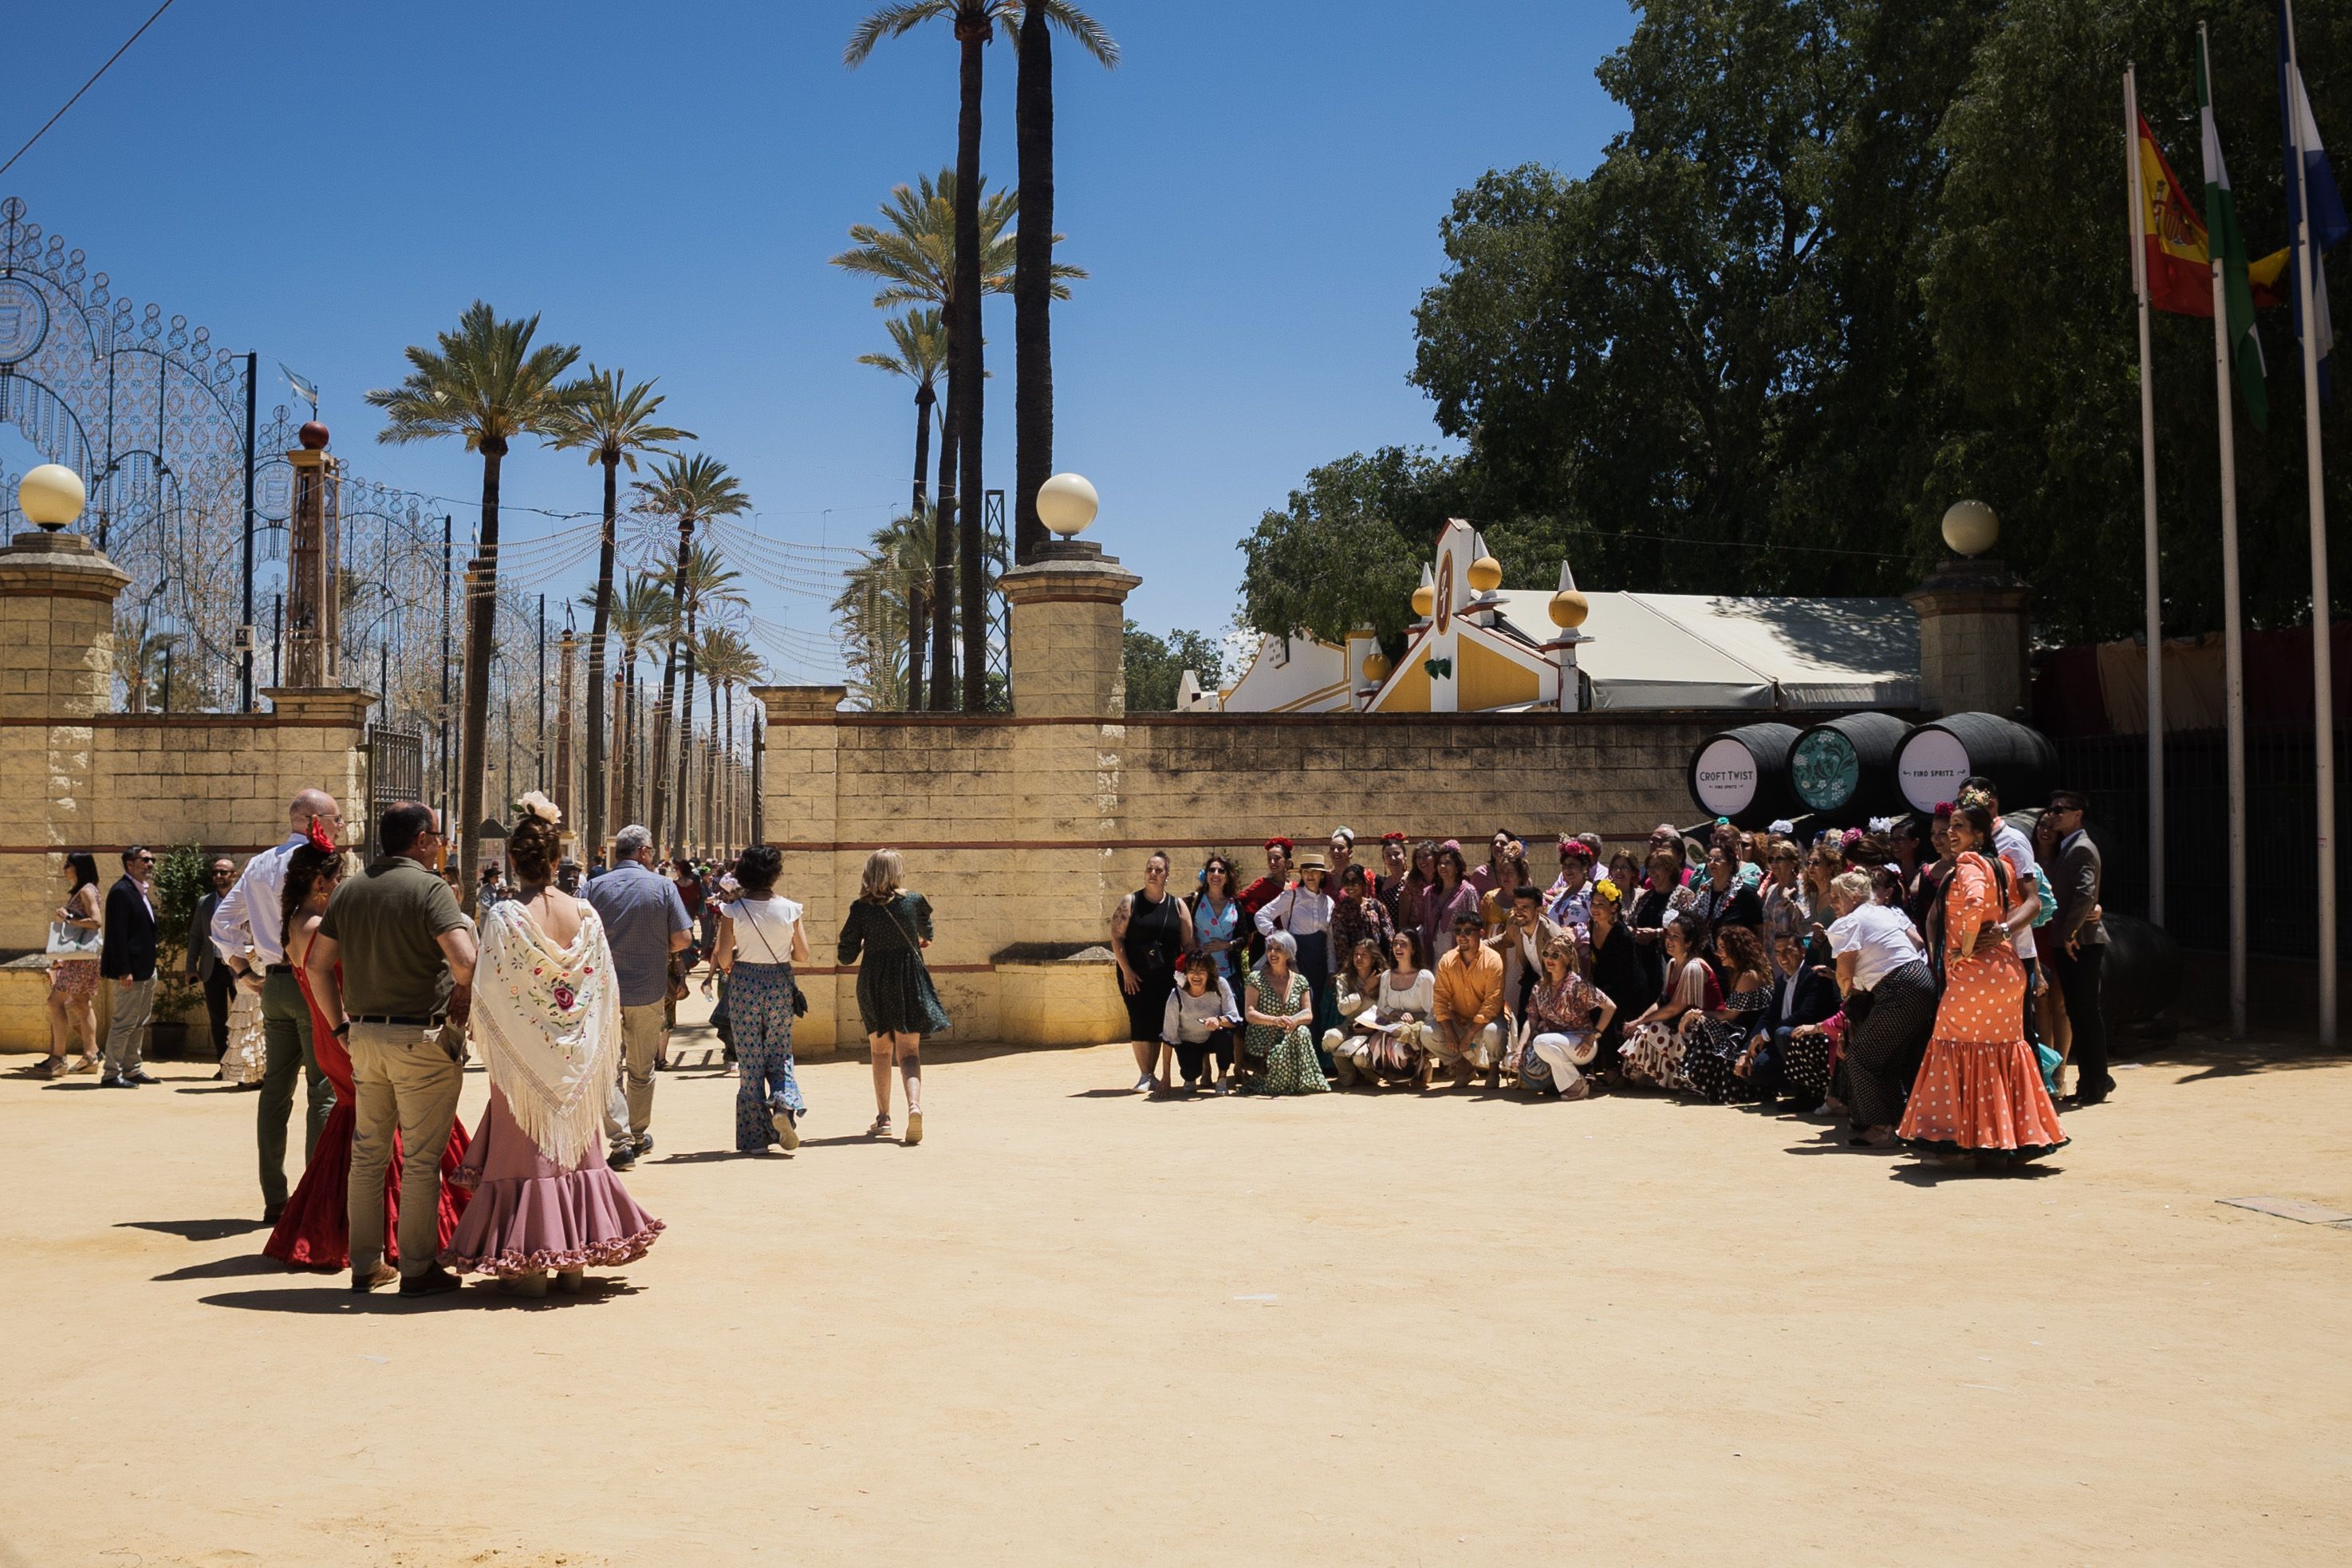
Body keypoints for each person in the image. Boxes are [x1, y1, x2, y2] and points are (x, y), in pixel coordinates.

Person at [439, 794, 664, 1295]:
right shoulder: (585, 914)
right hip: (576, 1059)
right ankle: (573, 1265)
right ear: (557, 860)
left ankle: (531, 1268)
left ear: (513, 861)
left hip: (523, 1058)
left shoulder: (504, 916)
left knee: (525, 1155)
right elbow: (602, 986)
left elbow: (491, 988)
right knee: (578, 1153)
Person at [266, 825, 471, 1270]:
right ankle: (409, 1253)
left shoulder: (303, 919)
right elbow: (462, 960)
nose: (340, 883)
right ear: (319, 883)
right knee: (405, 1144)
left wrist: (340, 1028)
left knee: (362, 1145)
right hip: (360, 1032)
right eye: (334, 877)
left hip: (342, 1034)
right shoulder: (318, 922)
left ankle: (362, 1255)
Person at [1898, 802, 2069, 1166]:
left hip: (1973, 975)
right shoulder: (2004, 866)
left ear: (1979, 834)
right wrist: (2004, 930)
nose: (1950, 833)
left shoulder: (1969, 864)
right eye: (1950, 826)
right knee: (2004, 1052)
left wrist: (1965, 948)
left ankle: (1958, 1142)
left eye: (1958, 827)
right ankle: (2009, 1138)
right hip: (2006, 972)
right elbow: (2034, 904)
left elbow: (1975, 903)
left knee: (1953, 1047)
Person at [214, 788, 343, 1223]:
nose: (341, 826)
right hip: (312, 980)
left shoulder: (260, 863)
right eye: (336, 819)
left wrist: (241, 971)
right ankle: (315, 1198)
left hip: (275, 983)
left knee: (275, 1090)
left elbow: (222, 921)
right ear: (315, 822)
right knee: (322, 1089)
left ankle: (275, 1197)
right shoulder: (317, 863)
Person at [581, 824, 694, 1170]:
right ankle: (639, 1133)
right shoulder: (662, 886)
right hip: (647, 990)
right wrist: (657, 949)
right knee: (641, 1069)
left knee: (607, 1068)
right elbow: (683, 938)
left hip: (604, 994)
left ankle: (620, 1141)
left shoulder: (593, 887)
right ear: (644, 852)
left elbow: (578, 937)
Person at [838, 849, 950, 1144]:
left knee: (880, 1052)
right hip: (908, 979)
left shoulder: (860, 908)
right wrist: (921, 938)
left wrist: (866, 941)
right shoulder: (913, 901)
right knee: (909, 1052)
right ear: (897, 872)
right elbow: (927, 931)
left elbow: (846, 955)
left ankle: (884, 1118)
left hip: (874, 979)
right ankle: (914, 1106)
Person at [1824, 869, 1935, 1148]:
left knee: (1860, 1057)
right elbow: (1916, 943)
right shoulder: (1883, 912)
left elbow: (1844, 974)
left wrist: (1846, 992)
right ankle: (1897, 1125)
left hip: (1899, 988)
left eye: (1837, 897)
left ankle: (1882, 1128)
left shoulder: (1848, 922)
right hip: (1922, 980)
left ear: (1854, 896)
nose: (1832, 903)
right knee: (1888, 1059)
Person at [713, 844, 812, 1154]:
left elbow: (724, 956)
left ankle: (756, 1137)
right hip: (779, 983)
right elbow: (803, 954)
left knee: (750, 1057)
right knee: (779, 1051)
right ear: (775, 875)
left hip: (744, 984)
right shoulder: (791, 909)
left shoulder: (733, 911)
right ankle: (782, 1105)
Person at [2042, 790, 2112, 1107]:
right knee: (2078, 1012)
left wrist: (2070, 932)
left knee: (2086, 1013)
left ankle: (2096, 1081)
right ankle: (2092, 1080)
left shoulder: (2082, 847)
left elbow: (2086, 894)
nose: (2053, 815)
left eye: (2060, 810)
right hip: (2069, 940)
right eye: (2051, 809)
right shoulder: (2067, 846)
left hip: (2080, 941)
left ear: (2078, 814)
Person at [1114, 851, 1195, 1093]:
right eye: (1149, 869)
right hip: (1135, 975)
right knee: (1140, 1019)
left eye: (1158, 870)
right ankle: (1144, 1074)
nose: (1153, 873)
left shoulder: (1178, 905)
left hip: (1166, 975)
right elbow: (1117, 937)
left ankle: (1152, 1074)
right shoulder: (1130, 902)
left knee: (1160, 1022)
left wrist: (1187, 974)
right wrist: (1126, 970)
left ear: (1166, 875)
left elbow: (1188, 943)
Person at [1619, 918, 1719, 1088]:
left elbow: (1675, 1008)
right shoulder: (1672, 964)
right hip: (1680, 1022)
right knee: (1644, 1026)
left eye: (1675, 937)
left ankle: (1679, 1081)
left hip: (1702, 1028)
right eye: (1668, 935)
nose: (1669, 941)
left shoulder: (1694, 967)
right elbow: (1662, 1001)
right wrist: (1639, 1019)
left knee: (1653, 1029)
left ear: (1688, 943)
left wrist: (1641, 1022)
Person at [1678, 925, 1773, 1103]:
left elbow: (1728, 1016)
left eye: (1723, 947)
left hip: (1749, 1035)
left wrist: (1694, 1013)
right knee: (1705, 1021)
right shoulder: (1739, 973)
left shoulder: (1749, 975)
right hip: (1741, 1029)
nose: (1718, 953)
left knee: (1706, 1023)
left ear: (1736, 949)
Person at [1510, 936, 1613, 1099]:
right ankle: (1566, 1083)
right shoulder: (1539, 987)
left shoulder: (1577, 984)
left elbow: (1610, 1007)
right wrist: (1519, 1050)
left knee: (1541, 1042)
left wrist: (1595, 1035)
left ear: (1567, 958)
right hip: (1554, 1043)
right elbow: (1531, 1020)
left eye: (1555, 955)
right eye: (1546, 954)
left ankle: (1577, 1085)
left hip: (1582, 1044)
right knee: (1534, 1054)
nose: (1549, 959)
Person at [97, 845, 161, 1089]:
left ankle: (132, 1069)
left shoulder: (139, 890)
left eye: (151, 859)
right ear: (129, 864)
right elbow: (117, 935)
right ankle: (111, 1073)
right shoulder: (121, 891)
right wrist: (124, 970)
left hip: (146, 969)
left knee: (139, 1022)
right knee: (124, 1023)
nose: (150, 863)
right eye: (144, 860)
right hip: (130, 972)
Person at [1255, 852, 1335, 1038]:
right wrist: (1277, 937)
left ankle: (1316, 1051)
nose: (1309, 875)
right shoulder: (1291, 896)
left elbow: (1330, 940)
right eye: (1305, 871)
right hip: (1297, 960)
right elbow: (1261, 916)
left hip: (1320, 962)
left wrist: (1332, 969)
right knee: (1298, 1004)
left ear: (1322, 875)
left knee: (1317, 1006)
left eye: (1314, 872)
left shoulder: (1329, 902)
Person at [37, 853, 103, 1078]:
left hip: (78, 961)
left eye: (69, 865)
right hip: (84, 959)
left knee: (55, 1002)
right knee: (83, 1003)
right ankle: (90, 1057)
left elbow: (96, 921)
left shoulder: (86, 891)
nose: (65, 868)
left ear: (79, 868)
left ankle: (58, 1058)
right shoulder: (89, 889)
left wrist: (67, 918)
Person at [1239, 930, 1327, 1095]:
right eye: (1270, 949)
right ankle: (1283, 1080)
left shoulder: (1300, 981)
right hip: (1263, 1039)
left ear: (1289, 953)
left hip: (1289, 1035)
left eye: (1278, 949)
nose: (1272, 953)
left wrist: (1294, 1021)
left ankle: (1303, 1081)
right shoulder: (1256, 978)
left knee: (1302, 1031)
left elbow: (1308, 1014)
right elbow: (1250, 1014)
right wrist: (1274, 1020)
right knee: (1280, 1059)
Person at [1428, 913, 1506, 1089]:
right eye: (1458, 931)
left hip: (1487, 1021)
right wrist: (1450, 1033)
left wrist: (1470, 1034)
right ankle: (1463, 1066)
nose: (1462, 936)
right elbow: (1440, 999)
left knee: (1494, 1032)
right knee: (1428, 1033)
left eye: (1468, 931)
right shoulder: (1447, 960)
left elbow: (1492, 1004)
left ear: (1481, 933)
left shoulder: (1493, 959)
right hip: (1459, 1019)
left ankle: (1494, 1070)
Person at [1585, 881, 1646, 1078]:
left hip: (1626, 987)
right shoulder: (1591, 925)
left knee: (1604, 1012)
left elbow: (1626, 974)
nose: (1595, 909)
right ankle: (1591, 1065)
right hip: (1603, 984)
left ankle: (1612, 1069)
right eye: (1593, 904)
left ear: (1614, 908)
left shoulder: (1622, 935)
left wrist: (1600, 995)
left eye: (1601, 905)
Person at [1162, 951, 1243, 1093]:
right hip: (1189, 1040)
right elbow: (1168, 1037)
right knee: (1190, 1073)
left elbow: (1234, 1018)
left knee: (1226, 1036)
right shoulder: (1176, 996)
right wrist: (1166, 1077)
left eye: (1202, 971)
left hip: (1214, 1036)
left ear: (1209, 973)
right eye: (1192, 971)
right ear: (1185, 973)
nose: (1197, 975)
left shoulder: (1220, 984)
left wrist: (1218, 1020)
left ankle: (1222, 1077)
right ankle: (1192, 1076)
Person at [1488, 883, 1564, 1026]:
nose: (1518, 912)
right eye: (1516, 907)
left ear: (1538, 910)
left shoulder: (1551, 935)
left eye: (1524, 908)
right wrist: (1480, 946)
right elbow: (1504, 940)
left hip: (1556, 983)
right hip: (1532, 977)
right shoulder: (1514, 924)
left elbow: (1565, 971)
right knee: (1524, 1021)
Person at [1322, 936, 1390, 1087]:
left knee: (1360, 1058)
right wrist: (1365, 989)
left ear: (1373, 959)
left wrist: (1374, 1028)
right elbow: (1343, 1008)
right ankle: (1347, 1072)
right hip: (1350, 1027)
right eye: (1356, 955)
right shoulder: (1344, 979)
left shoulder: (1384, 979)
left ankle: (1370, 1074)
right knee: (1330, 1038)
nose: (1359, 958)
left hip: (1374, 1030)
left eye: (1364, 955)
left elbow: (1388, 1010)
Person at [189, 856, 237, 1065]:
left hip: (238, 967)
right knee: (217, 1018)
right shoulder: (205, 902)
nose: (218, 876)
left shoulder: (243, 899)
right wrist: (190, 966)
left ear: (233, 875)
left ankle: (242, 1065)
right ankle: (223, 1063)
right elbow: (196, 936)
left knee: (242, 1016)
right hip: (212, 967)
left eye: (223, 872)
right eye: (215, 872)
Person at [1327, 863, 1394, 996]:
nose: (1350, 886)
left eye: (1355, 881)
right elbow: (1339, 945)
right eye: (1346, 882)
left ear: (1363, 883)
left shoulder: (1376, 906)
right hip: (1354, 970)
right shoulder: (1340, 910)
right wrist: (1345, 970)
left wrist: (1389, 965)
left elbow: (1389, 936)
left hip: (1377, 967)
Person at [1419, 844, 1482, 975]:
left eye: (1448, 863)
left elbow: (1474, 926)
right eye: (1440, 863)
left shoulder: (1468, 892)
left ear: (1457, 867)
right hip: (1433, 955)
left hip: (1458, 955)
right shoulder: (1430, 893)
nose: (1443, 866)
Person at [1235, 837, 1294, 966]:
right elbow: (1239, 900)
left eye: (1277, 858)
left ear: (1288, 862)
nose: (1272, 862)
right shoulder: (1262, 885)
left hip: (1290, 942)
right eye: (1269, 859)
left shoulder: (1296, 888)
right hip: (1264, 943)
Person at [1188, 853, 1243, 988]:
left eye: (1221, 871)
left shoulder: (1235, 904)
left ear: (1228, 877)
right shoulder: (1194, 901)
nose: (1216, 874)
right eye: (1211, 870)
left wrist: (1227, 945)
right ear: (1206, 875)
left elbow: (1244, 937)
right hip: (1199, 971)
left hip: (1229, 973)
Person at [1543, 837, 1597, 938]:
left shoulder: (1591, 894)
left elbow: (1597, 926)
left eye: (1572, 865)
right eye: (1565, 865)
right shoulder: (1561, 894)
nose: (1567, 869)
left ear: (1585, 867)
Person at [1373, 833, 1412, 928]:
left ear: (1405, 856)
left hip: (1404, 933)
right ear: (1384, 860)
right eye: (1388, 855)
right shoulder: (1380, 883)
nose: (1393, 858)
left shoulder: (1412, 881)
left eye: (1396, 854)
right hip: (1384, 934)